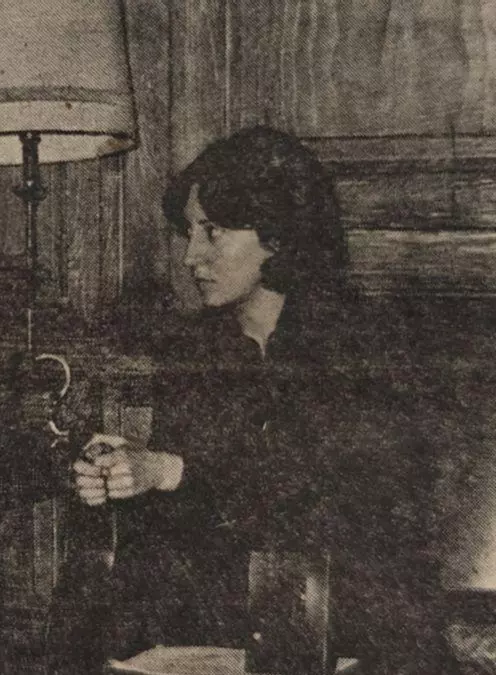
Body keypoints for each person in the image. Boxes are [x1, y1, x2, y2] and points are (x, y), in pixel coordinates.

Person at [62, 126, 444, 672]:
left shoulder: (365, 343)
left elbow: (335, 501)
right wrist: (120, 479)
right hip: (231, 629)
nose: (191, 256)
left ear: (279, 235)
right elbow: (186, 521)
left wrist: (170, 470)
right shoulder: (195, 353)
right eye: (189, 232)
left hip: (358, 631)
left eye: (213, 232)